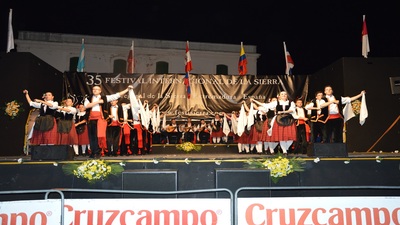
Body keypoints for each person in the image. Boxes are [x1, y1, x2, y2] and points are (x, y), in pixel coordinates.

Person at [84, 85, 133, 158]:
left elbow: (116, 95)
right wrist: (98, 102)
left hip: (100, 119)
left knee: (100, 136)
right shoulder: (88, 98)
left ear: (100, 91)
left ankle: (98, 152)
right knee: (92, 136)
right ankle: (93, 152)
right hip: (91, 119)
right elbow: (87, 106)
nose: (95, 90)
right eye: (94, 89)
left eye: (97, 89)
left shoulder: (104, 98)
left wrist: (127, 89)